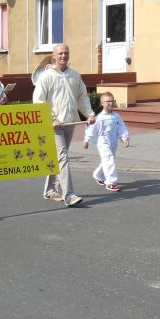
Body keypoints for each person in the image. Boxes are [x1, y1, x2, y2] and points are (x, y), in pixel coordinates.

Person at [32, 43, 96, 207]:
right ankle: (69, 195)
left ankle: (50, 190)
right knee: (62, 157)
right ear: (54, 56)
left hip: (70, 121)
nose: (63, 56)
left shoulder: (75, 75)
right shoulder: (46, 76)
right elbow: (38, 101)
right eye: (60, 53)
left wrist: (89, 113)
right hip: (53, 125)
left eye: (66, 53)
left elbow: (82, 97)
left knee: (59, 157)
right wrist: (51, 119)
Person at [84, 92, 130, 192]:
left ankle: (98, 175)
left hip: (113, 142)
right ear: (102, 103)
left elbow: (121, 127)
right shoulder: (98, 118)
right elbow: (91, 129)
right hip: (102, 142)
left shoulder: (117, 116)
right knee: (109, 159)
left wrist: (124, 138)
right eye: (108, 101)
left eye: (112, 101)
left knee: (107, 160)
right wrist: (86, 140)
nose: (110, 103)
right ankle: (111, 183)